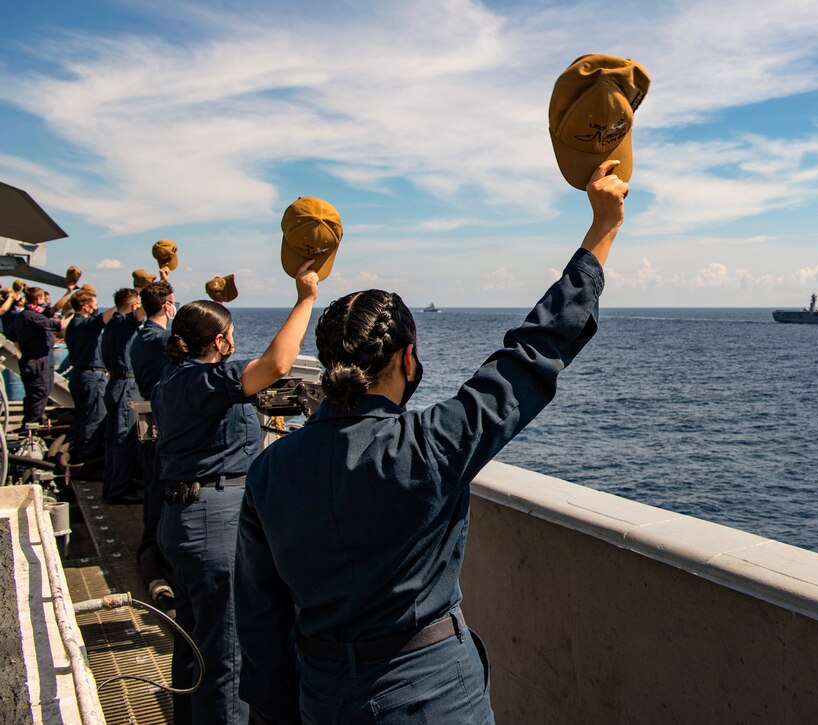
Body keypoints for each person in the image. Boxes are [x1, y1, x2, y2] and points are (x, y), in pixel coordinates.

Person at [234, 159, 627, 724]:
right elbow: (530, 355)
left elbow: (260, 617)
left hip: (320, 697)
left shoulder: (270, 470)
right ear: (407, 358)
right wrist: (602, 230)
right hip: (432, 695)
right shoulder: (429, 446)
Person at [153, 260, 319, 724]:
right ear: (221, 342)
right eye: (230, 336)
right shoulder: (203, 381)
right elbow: (277, 364)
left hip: (184, 517)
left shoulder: (175, 379)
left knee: (194, 647)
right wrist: (306, 298)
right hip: (213, 526)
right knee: (228, 655)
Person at [128, 278, 177, 612]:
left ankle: (153, 555)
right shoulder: (163, 340)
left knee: (151, 492)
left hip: (146, 419)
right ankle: (160, 560)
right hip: (165, 423)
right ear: (168, 305)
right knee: (163, 495)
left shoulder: (138, 337)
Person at [100, 287, 147, 503]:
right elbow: (146, 310)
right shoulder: (122, 323)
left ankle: (112, 485)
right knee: (124, 439)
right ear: (133, 305)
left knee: (113, 439)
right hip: (126, 385)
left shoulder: (111, 324)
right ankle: (119, 490)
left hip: (115, 384)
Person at [64, 287, 119, 466]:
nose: (96, 308)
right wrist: (125, 301)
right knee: (94, 419)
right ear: (86, 307)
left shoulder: (73, 325)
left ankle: (80, 452)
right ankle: (86, 461)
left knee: (82, 417)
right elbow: (104, 318)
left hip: (80, 375)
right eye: (94, 305)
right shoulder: (84, 325)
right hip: (92, 377)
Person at [13, 284, 76, 427]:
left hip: (35, 359)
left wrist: (68, 292)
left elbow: (53, 310)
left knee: (38, 394)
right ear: (39, 299)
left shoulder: (26, 315)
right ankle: (32, 425)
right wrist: (75, 315)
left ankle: (33, 421)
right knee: (39, 393)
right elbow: (59, 325)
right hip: (37, 361)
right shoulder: (32, 317)